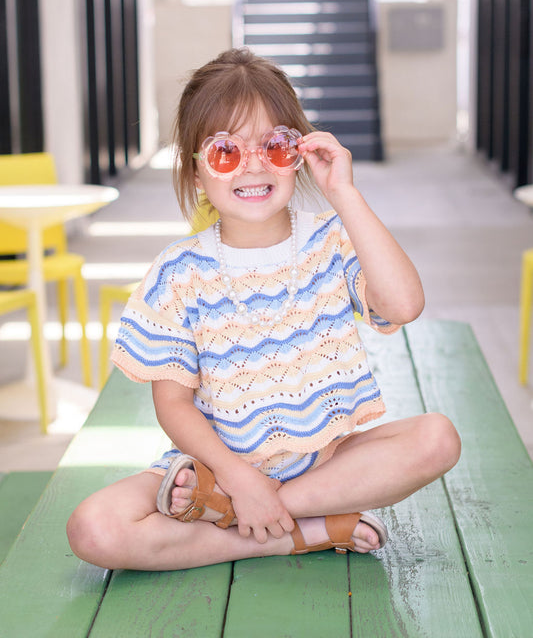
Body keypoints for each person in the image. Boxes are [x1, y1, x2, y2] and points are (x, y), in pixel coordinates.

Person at [67, 48, 461, 571]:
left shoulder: (332, 240)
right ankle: (299, 533)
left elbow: (404, 305)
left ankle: (242, 515)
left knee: (437, 439)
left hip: (325, 466)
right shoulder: (178, 272)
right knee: (93, 530)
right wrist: (239, 477)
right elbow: (175, 407)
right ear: (196, 169)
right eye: (226, 151)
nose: (252, 164)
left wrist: (344, 194)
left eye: (273, 145)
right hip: (213, 466)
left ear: (299, 153)